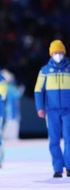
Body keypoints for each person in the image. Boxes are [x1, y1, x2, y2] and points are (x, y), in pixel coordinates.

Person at [34, 40, 70, 178]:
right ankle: (58, 168)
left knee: (69, 139)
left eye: (60, 52)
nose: (58, 55)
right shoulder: (45, 71)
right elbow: (38, 90)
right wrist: (40, 108)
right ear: (51, 54)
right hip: (52, 111)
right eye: (55, 52)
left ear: (64, 53)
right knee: (54, 140)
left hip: (68, 111)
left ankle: (69, 166)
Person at [1, 69, 25, 140]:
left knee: (11, 122)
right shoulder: (8, 86)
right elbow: (17, 94)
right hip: (11, 110)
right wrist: (21, 89)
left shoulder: (9, 85)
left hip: (11, 109)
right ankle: (10, 137)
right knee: (12, 123)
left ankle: (10, 137)